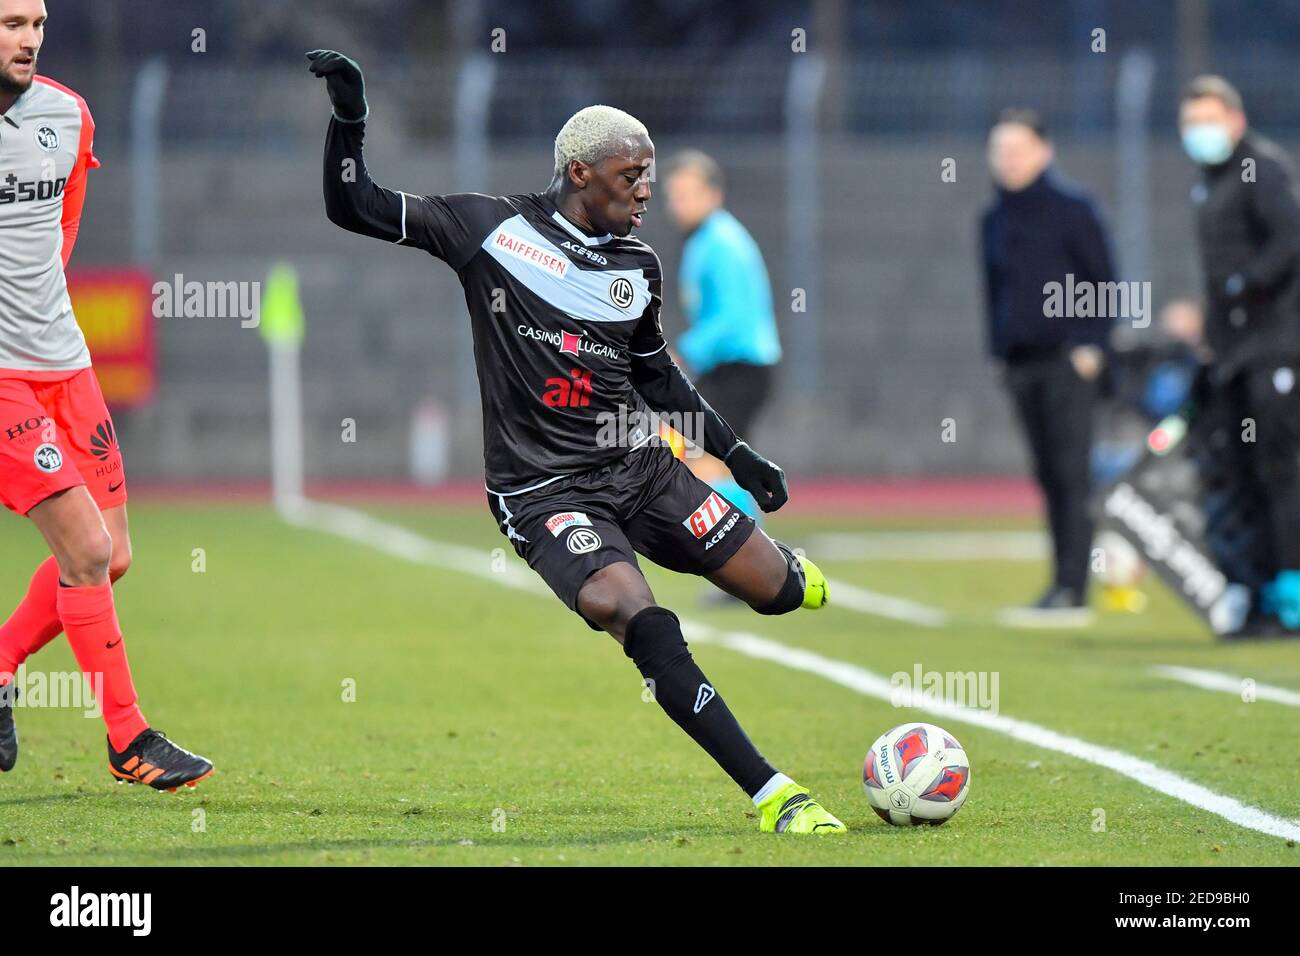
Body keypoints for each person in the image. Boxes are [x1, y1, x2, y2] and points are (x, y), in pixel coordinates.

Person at [308, 50, 844, 834]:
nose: (646, 192)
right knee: (633, 613)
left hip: (642, 470)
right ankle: (774, 794)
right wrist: (350, 122)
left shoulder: (639, 264)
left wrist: (736, 455)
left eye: (651, 177)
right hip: (543, 490)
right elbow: (354, 204)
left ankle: (787, 570)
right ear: (578, 172)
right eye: (631, 176)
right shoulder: (486, 229)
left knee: (777, 593)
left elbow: (657, 375)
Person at [0, 0, 212, 789]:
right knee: (84, 552)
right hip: (1, 379)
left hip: (68, 364)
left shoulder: (68, 116)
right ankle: (129, 740)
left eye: (37, 23)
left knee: (113, 555)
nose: (28, 39)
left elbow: (61, 235)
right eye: (10, 23)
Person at [980, 108, 1117, 627]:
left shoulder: (1073, 210)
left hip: (1067, 362)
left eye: (1016, 150)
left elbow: (1105, 280)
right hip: (1021, 364)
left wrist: (1091, 346)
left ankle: (1073, 587)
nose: (1007, 161)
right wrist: (997, 351)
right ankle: (1059, 581)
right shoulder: (992, 218)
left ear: (1044, 151)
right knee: (1045, 473)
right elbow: (993, 291)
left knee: (1071, 472)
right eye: (999, 152)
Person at [1180, 75, 1300, 634]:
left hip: (1274, 347)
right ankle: (1254, 595)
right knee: (1243, 473)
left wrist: (1239, 288)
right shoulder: (1207, 183)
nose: (1199, 133)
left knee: (1282, 473)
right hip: (1233, 354)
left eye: (1208, 120)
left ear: (1236, 118)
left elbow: (1290, 239)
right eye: (1191, 123)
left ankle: (1291, 598)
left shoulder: (1263, 169)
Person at [663, 150, 781, 520]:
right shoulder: (707, 240)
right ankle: (752, 560)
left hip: (739, 370)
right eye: (673, 196)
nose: (678, 205)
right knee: (712, 460)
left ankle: (756, 560)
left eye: (688, 194)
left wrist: (684, 353)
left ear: (714, 194)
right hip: (730, 369)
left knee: (706, 460)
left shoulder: (721, 244)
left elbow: (730, 318)